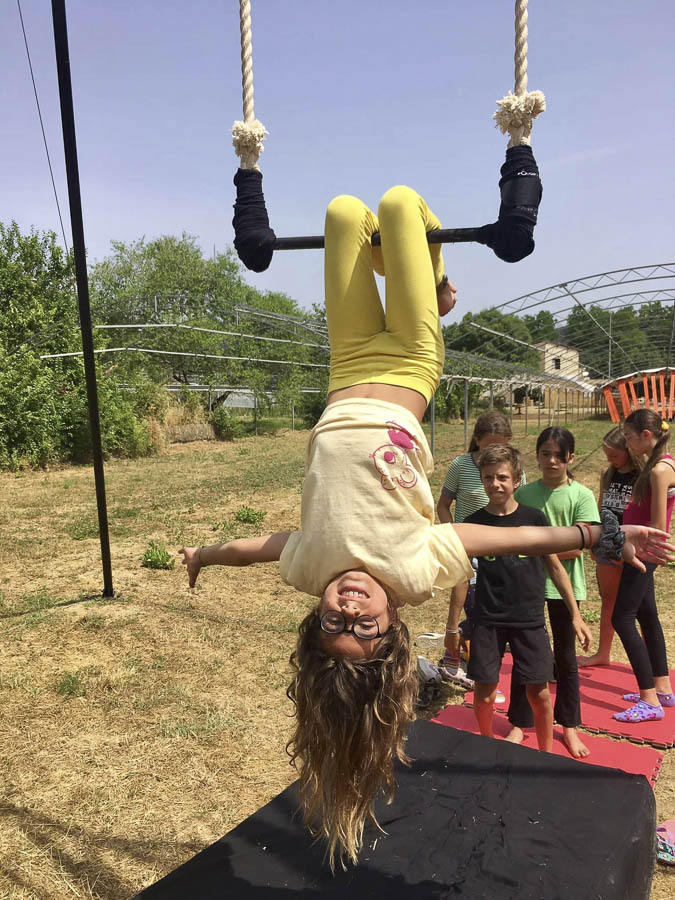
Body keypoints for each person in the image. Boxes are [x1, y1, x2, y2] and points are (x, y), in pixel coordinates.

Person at [178, 188, 672, 869]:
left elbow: (255, 547)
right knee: (400, 204)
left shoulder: (311, 567)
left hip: (347, 366)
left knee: (343, 214)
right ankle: (431, 286)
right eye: (365, 630)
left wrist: (204, 554)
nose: (350, 611)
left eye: (334, 625)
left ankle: (425, 284)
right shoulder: (412, 571)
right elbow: (510, 538)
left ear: (316, 619)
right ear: (391, 629)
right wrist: (602, 536)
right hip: (410, 363)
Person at [464, 445, 591, 752]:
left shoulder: (534, 519)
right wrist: (453, 626)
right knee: (484, 694)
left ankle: (546, 756)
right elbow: (460, 575)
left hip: (528, 620)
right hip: (487, 619)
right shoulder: (473, 523)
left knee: (540, 694)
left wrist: (575, 615)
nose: (495, 484)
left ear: (517, 479)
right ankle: (486, 749)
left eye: (502, 477)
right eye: (488, 477)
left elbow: (556, 568)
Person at [507, 427, 599, 759]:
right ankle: (519, 722)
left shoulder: (581, 495)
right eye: (545, 454)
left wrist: (534, 548)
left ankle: (569, 725)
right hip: (527, 585)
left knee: (565, 657)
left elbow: (578, 545)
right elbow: (511, 537)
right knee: (524, 655)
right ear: (537, 456)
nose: (552, 461)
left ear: (571, 458)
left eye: (559, 455)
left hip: (565, 587)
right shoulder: (525, 493)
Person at [436, 411, 516, 688]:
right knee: (474, 607)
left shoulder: (512, 468)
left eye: (501, 445)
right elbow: (443, 505)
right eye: (489, 445)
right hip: (469, 550)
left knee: (497, 608)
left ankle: (463, 646)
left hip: (501, 547)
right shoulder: (461, 465)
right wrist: (453, 534)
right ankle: (469, 665)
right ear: (477, 440)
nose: (494, 451)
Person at [611, 409, 675, 722]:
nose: (627, 442)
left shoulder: (660, 470)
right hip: (643, 552)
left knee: (621, 618)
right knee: (647, 614)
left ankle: (649, 699)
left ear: (647, 435)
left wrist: (636, 550)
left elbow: (659, 526)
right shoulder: (660, 463)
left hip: (643, 553)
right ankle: (662, 687)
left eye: (629, 436)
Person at [579, 426, 640, 668]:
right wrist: (596, 542)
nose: (609, 460)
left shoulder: (643, 475)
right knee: (609, 601)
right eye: (607, 455)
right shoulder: (608, 474)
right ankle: (603, 653)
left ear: (629, 450)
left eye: (614, 455)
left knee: (639, 607)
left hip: (633, 546)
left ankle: (648, 661)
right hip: (608, 544)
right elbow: (601, 508)